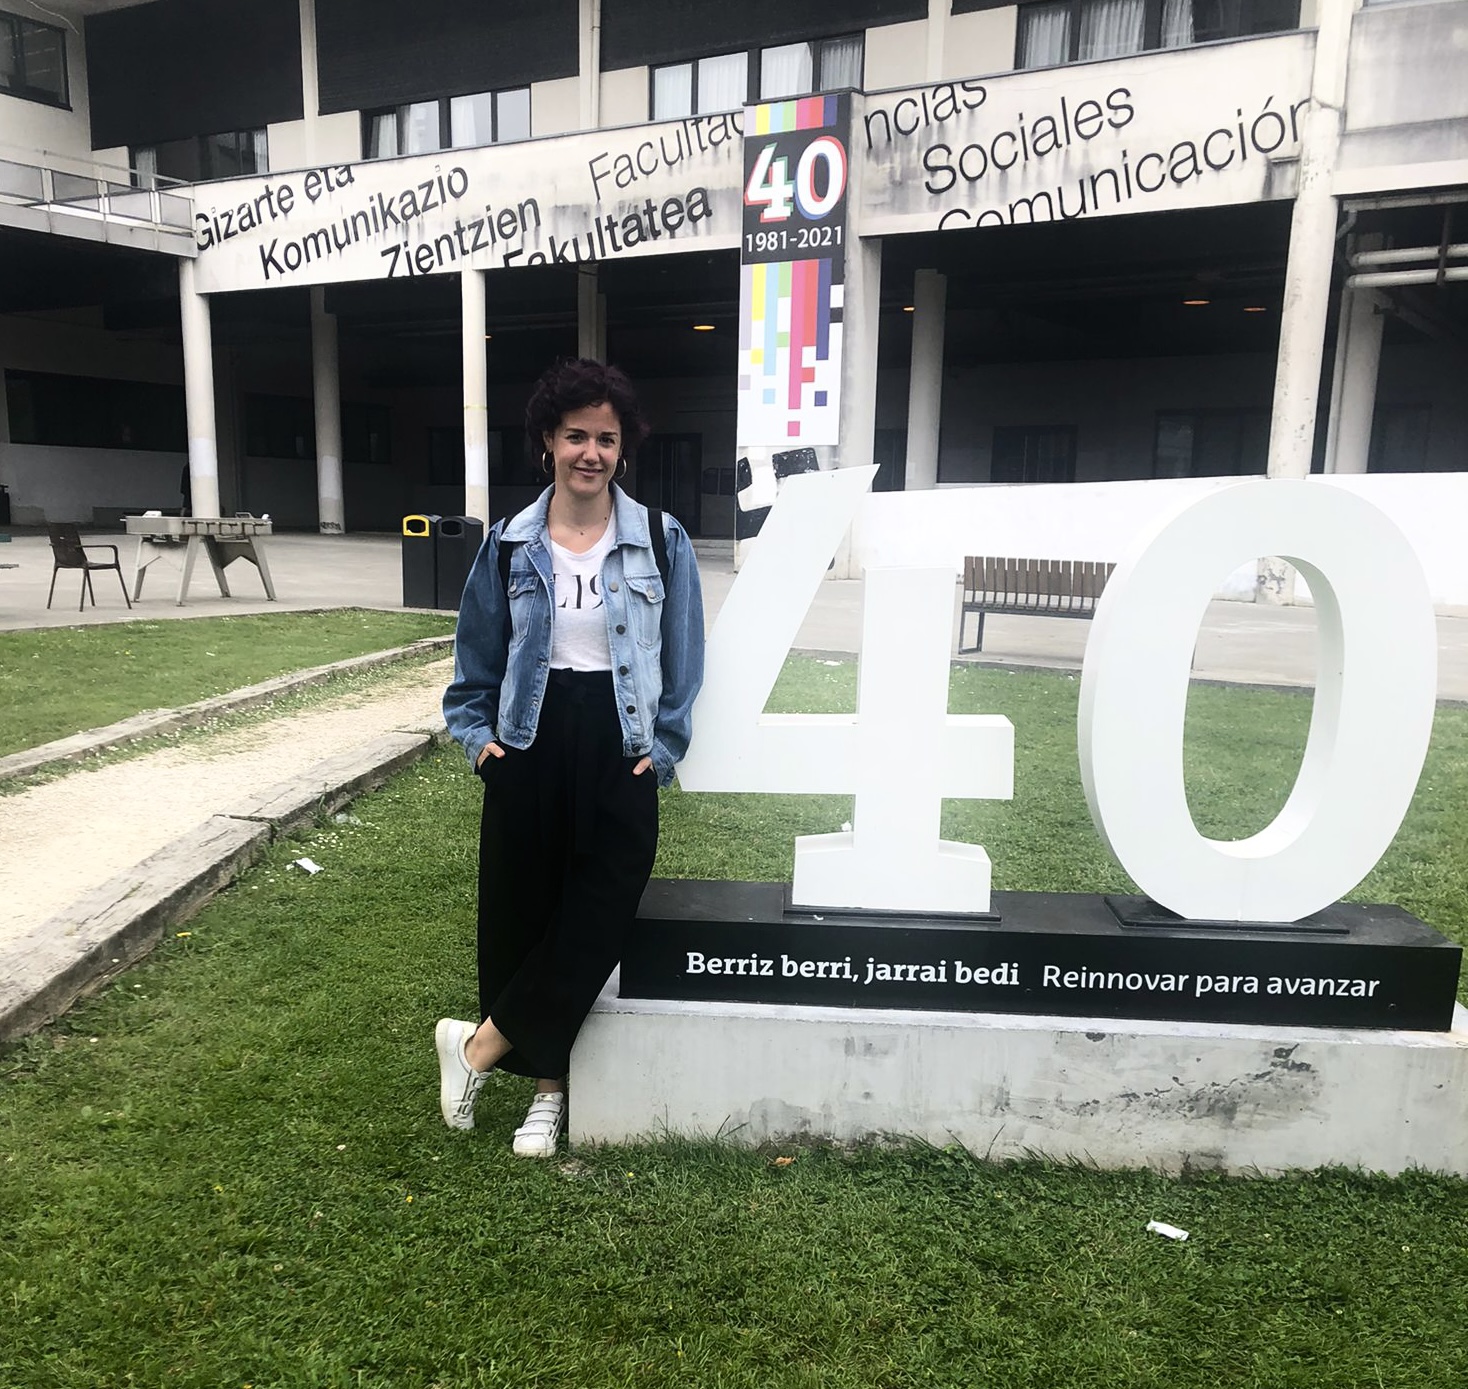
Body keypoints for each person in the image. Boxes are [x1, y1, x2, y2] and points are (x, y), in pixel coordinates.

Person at [438, 358, 705, 1155]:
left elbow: (685, 658)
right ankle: (547, 1095)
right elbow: (475, 659)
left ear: (623, 450)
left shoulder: (660, 538)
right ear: (548, 442)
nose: (591, 452)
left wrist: (664, 746)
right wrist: (478, 742)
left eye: (606, 439)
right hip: (531, 739)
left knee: (599, 911)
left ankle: (477, 1045)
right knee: (528, 916)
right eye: (576, 435)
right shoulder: (509, 543)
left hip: (620, 743)